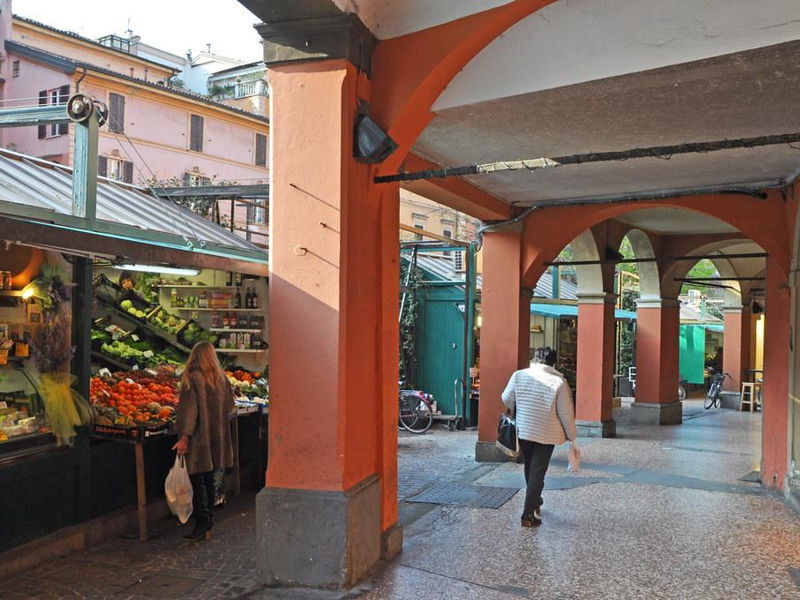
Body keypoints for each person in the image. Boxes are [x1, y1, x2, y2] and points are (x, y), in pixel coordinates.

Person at [502, 346, 577, 527]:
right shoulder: (558, 382)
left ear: (534, 359)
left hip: (524, 429)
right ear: (553, 362)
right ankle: (528, 514)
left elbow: (506, 398)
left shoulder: (519, 375)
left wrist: (520, 407)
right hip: (546, 433)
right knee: (538, 470)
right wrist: (572, 436)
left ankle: (535, 501)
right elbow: (566, 413)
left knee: (530, 467)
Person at [173, 342, 235, 541]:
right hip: (216, 437)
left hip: (200, 438)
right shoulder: (221, 379)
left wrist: (184, 437)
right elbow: (230, 407)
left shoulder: (193, 379)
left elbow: (190, 412)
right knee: (209, 477)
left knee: (197, 479)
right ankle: (208, 521)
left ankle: (202, 522)